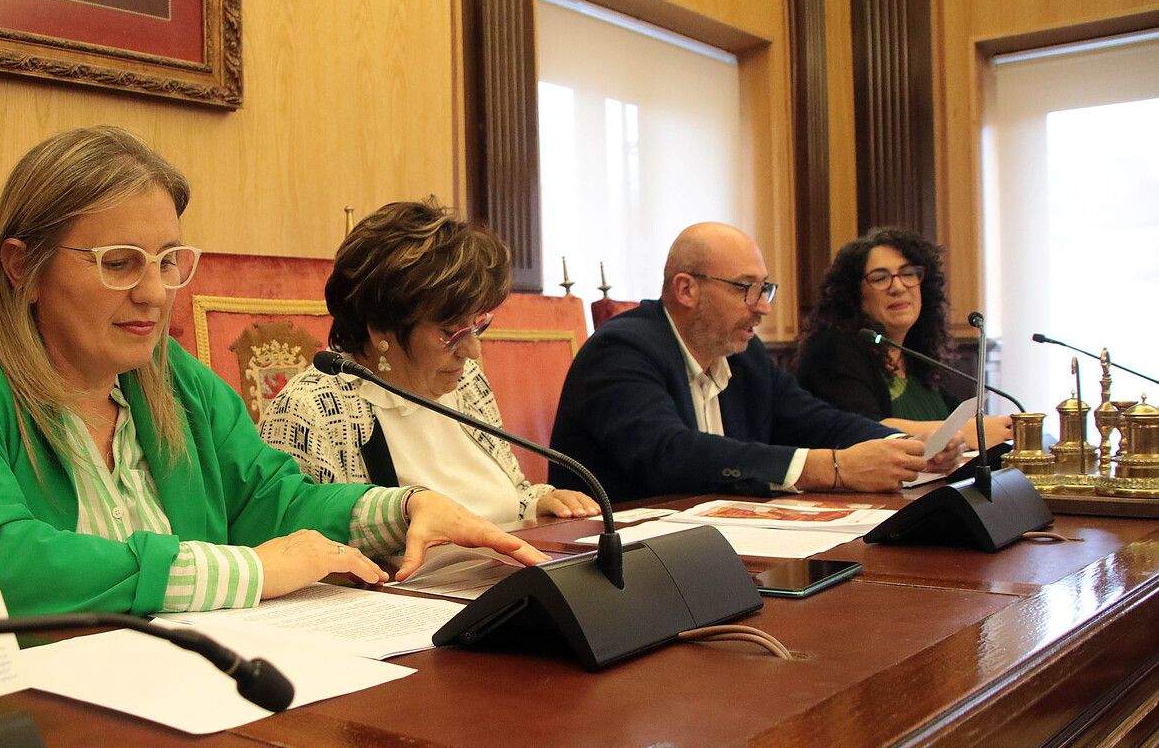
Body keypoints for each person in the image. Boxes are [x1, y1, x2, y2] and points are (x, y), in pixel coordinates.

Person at [0, 127, 545, 617]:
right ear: (23, 267)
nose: (157, 295)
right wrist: (244, 570)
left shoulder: (171, 378)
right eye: (119, 262)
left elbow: (273, 502)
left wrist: (397, 510)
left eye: (167, 262)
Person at [260, 199, 600, 526]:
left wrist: (537, 503)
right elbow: (299, 539)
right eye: (450, 331)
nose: (471, 350)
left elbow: (509, 492)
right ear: (381, 327)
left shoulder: (466, 384)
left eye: (477, 326)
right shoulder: (310, 411)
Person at [549, 222, 941, 501]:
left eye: (765, 288)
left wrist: (902, 447)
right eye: (746, 289)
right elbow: (670, 453)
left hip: (713, 548)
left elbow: (817, 420)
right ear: (686, 289)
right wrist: (833, 468)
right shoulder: (621, 350)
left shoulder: (744, 355)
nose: (763, 308)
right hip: (624, 566)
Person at [796, 227, 1014, 446]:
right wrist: (967, 432)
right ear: (854, 294)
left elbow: (955, 418)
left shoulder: (915, 354)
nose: (898, 287)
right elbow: (863, 429)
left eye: (908, 274)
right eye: (880, 278)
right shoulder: (832, 348)